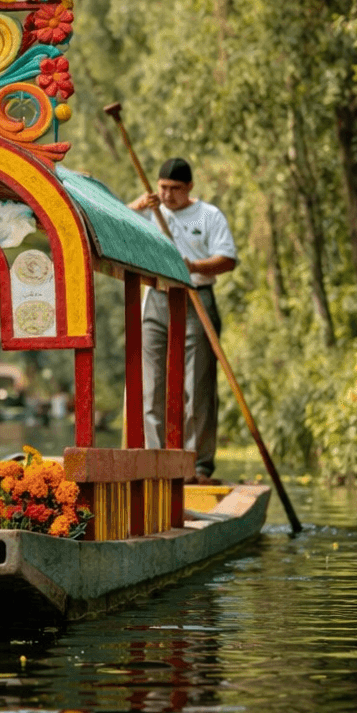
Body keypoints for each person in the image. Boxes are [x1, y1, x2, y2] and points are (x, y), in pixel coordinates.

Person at [129, 157, 238, 484]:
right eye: (163, 187)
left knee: (197, 385)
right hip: (157, 297)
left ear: (189, 187)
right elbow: (113, 228)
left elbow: (227, 259)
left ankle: (197, 465)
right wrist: (134, 208)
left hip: (196, 296)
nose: (168, 195)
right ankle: (156, 462)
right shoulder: (149, 212)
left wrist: (193, 266)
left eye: (175, 188)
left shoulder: (208, 215)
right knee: (153, 386)